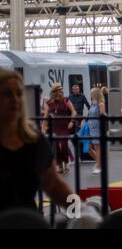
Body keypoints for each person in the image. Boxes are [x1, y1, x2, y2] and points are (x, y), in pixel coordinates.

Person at [0, 68, 73, 214]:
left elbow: (54, 186)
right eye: (7, 94)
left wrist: (81, 211)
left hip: (29, 222)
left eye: (19, 94)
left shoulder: (34, 141)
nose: (15, 99)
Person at [41, 83, 77, 174]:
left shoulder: (66, 100)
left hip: (64, 126)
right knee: (56, 146)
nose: (60, 91)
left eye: (60, 89)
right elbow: (45, 116)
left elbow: (74, 112)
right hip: (55, 126)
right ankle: (59, 164)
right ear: (54, 92)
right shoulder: (49, 102)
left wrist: (72, 121)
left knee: (64, 144)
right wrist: (43, 128)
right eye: (58, 90)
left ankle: (66, 162)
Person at [83, 87, 106, 175]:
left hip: (97, 127)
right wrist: (84, 121)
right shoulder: (93, 103)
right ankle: (99, 162)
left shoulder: (101, 104)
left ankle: (99, 166)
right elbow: (89, 114)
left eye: (92, 93)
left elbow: (102, 115)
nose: (90, 95)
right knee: (88, 147)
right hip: (89, 126)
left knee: (97, 147)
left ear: (95, 94)